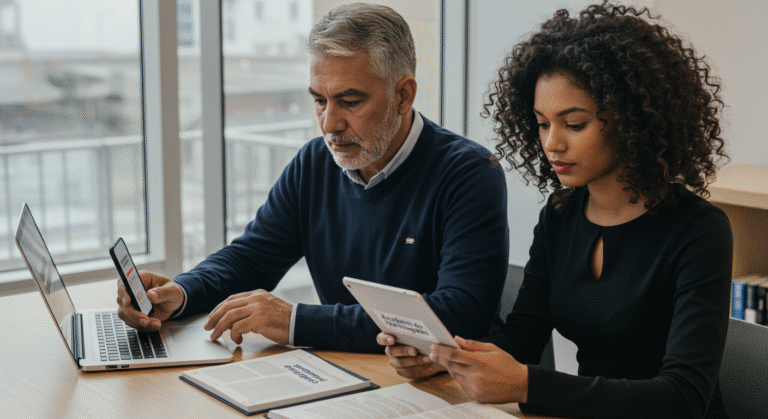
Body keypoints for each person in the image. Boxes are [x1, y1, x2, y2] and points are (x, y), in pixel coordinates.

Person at [378, 2, 733, 418]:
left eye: (574, 124)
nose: (552, 144)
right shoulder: (561, 214)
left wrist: (528, 384)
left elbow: (683, 396)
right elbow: (525, 335)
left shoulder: (699, 230)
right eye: (543, 123)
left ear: (632, 120)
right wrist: (444, 357)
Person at [116, 3, 509, 354]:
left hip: (444, 389)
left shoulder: (470, 173)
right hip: (349, 373)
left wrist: (295, 322)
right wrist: (182, 292)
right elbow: (252, 257)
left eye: (350, 101)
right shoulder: (315, 163)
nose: (329, 124)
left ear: (403, 95)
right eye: (319, 100)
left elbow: (460, 315)